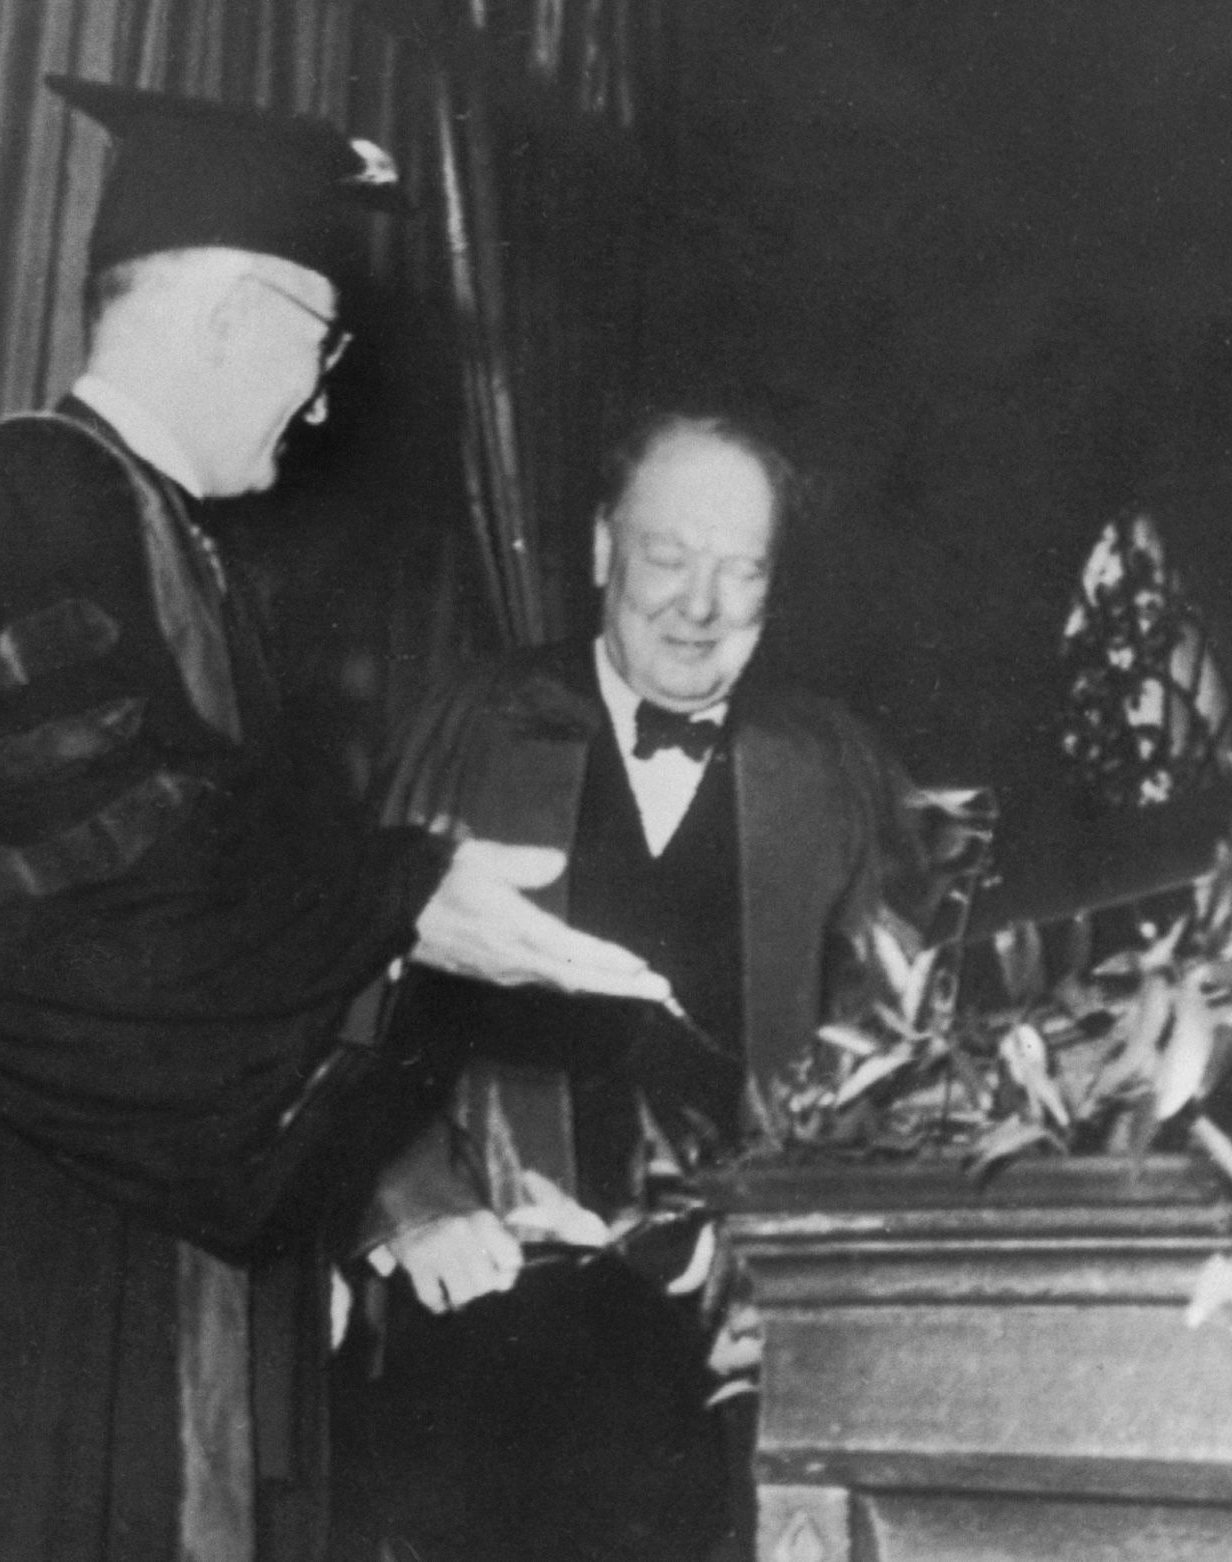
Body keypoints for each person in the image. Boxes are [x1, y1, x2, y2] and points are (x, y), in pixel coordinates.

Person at [0, 77, 670, 1562]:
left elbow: (218, 900)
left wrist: (392, 1187)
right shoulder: (15, 504)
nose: (321, 394)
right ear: (235, 314)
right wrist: (402, 899)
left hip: (118, 1273)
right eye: (321, 343)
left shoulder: (176, 548)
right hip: (4, 1301)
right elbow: (70, 905)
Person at [330, 410, 935, 1562]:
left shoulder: (834, 769)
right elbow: (348, 990)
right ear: (604, 547)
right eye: (667, 555)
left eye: (739, 568)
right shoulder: (476, 728)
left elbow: (908, 1046)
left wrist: (813, 1271)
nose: (697, 604)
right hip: (500, 1308)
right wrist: (410, 1198)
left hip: (744, 1335)